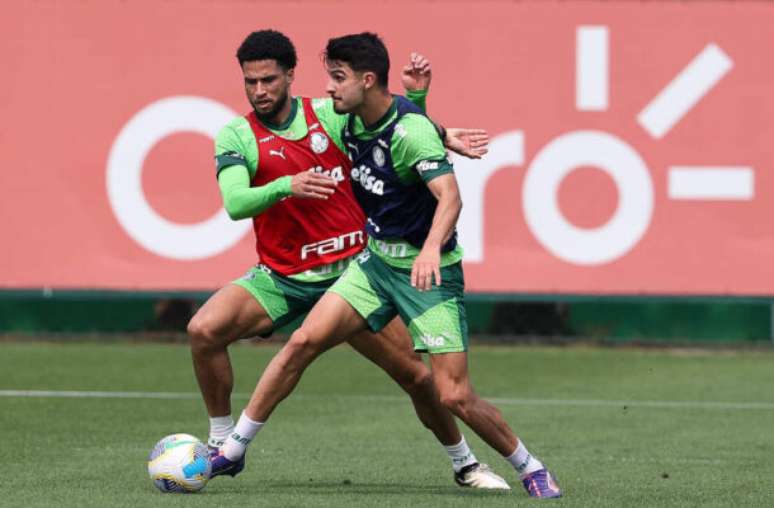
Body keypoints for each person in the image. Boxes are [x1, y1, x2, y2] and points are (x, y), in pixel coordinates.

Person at [213, 32, 562, 499]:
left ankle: (529, 466)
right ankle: (231, 452)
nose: (330, 89)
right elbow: (399, 116)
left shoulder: (404, 130)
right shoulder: (350, 123)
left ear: (367, 79)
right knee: (301, 343)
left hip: (427, 276)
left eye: (337, 78)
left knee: (452, 393)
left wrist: (432, 248)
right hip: (373, 266)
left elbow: (450, 196)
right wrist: (431, 116)